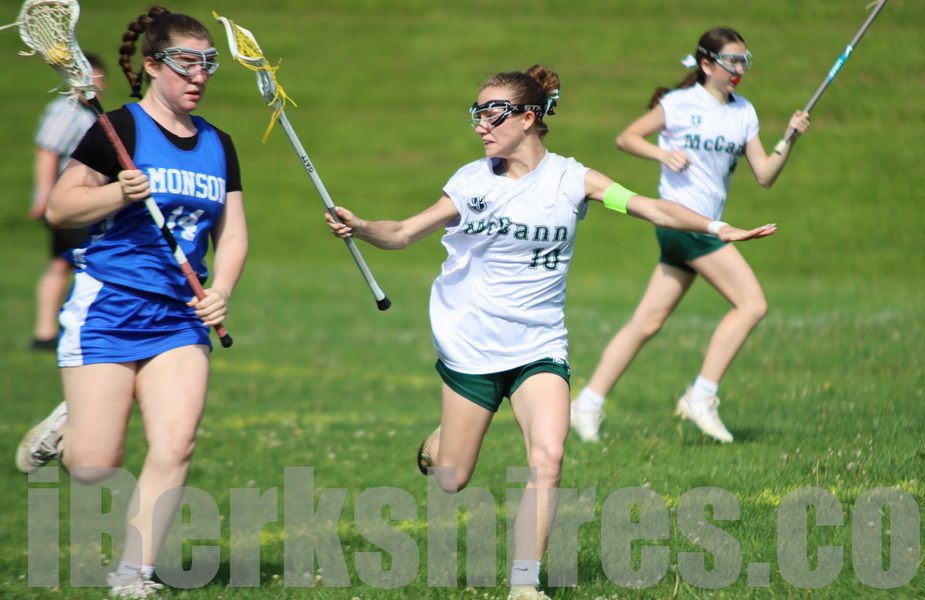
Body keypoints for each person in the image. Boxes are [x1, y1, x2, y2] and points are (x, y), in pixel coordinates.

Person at [325, 65, 776, 600]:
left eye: (491, 114)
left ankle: (524, 585)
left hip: (539, 345)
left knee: (549, 457)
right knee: (452, 477)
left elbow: (651, 207)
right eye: (476, 114)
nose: (480, 125)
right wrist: (362, 227)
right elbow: (402, 232)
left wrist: (717, 227)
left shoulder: (572, 180)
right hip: (471, 345)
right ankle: (442, 442)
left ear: (527, 117)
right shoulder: (471, 182)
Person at [14, 6, 247, 598]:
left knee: (176, 443)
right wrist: (118, 191)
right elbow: (61, 207)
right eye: (186, 63)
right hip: (109, 306)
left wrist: (221, 290)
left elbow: (233, 234)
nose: (199, 75)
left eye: (208, 63)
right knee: (95, 467)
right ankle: (70, 426)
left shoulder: (218, 144)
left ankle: (133, 573)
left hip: (180, 317)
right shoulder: (119, 129)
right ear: (153, 65)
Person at [570, 27, 811, 444]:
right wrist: (662, 153)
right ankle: (701, 395)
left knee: (647, 321)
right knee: (752, 304)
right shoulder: (679, 104)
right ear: (706, 64)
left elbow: (765, 175)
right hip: (680, 222)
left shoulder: (744, 112)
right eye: (731, 61)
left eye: (744, 61)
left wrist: (789, 137)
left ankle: (587, 403)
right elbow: (626, 138)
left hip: (703, 226)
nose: (739, 70)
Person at [27, 54, 108, 351]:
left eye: (98, 80)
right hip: (69, 203)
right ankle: (71, 328)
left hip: (75, 203)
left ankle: (45, 333)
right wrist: (45, 197)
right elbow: (47, 152)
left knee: (60, 264)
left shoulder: (88, 114)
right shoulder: (67, 111)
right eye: (88, 79)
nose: (94, 86)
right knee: (89, 261)